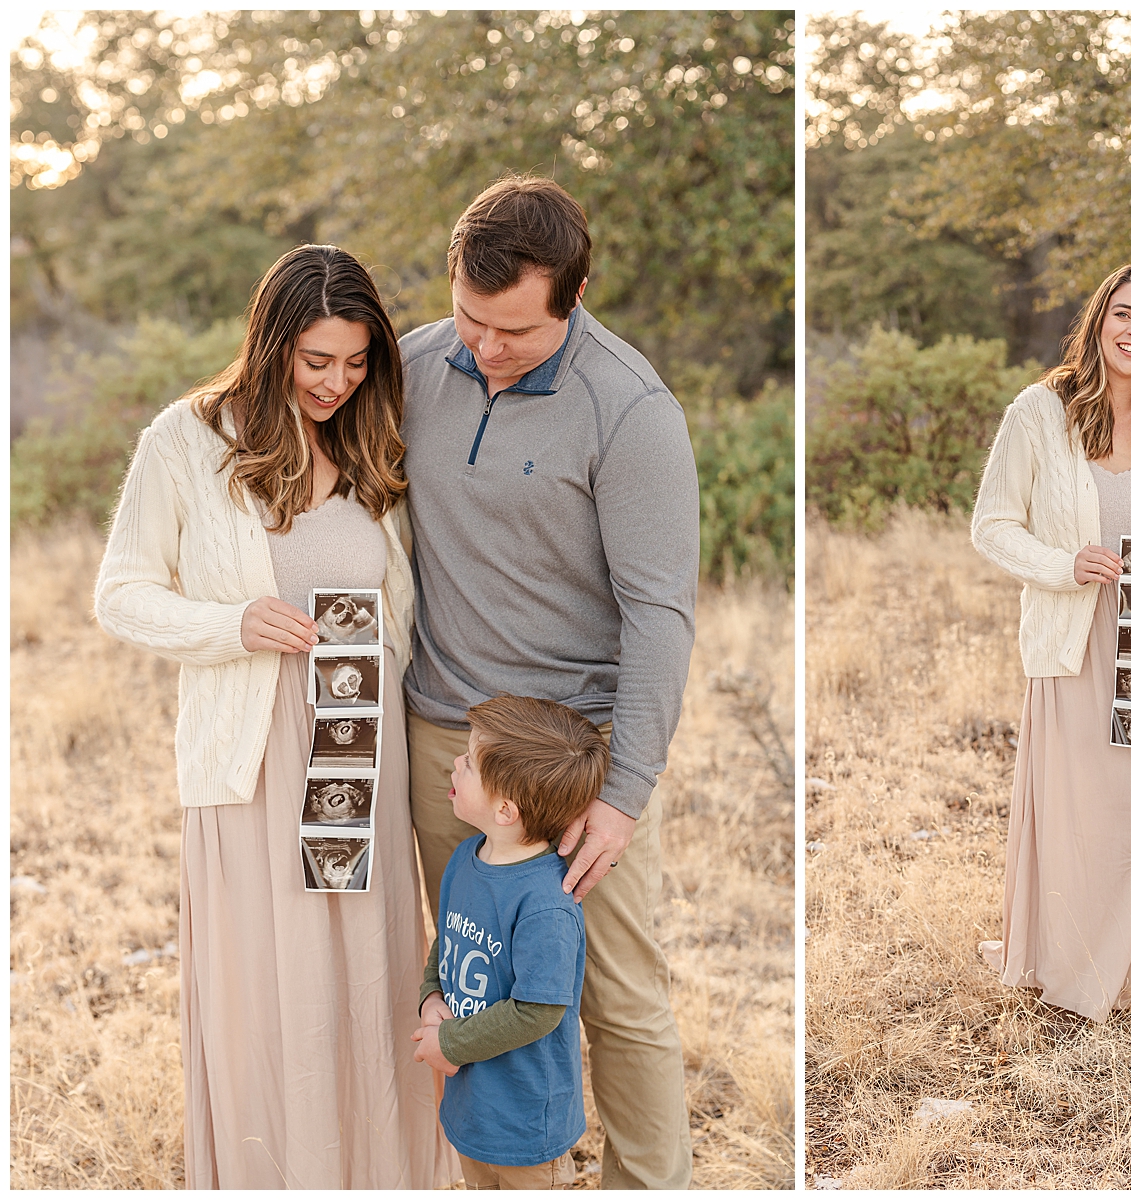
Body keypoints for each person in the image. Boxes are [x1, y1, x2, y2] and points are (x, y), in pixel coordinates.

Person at [94, 245, 453, 1187]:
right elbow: (120, 593)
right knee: (269, 998)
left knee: (360, 990)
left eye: (356, 361)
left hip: (357, 756)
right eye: (315, 362)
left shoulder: (375, 443)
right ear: (270, 347)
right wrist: (231, 623)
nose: (337, 383)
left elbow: (406, 609)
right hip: (252, 763)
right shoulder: (186, 440)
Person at [399, 174, 699, 1188]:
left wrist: (622, 795)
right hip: (444, 747)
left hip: (573, 763)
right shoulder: (410, 366)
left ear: (575, 296)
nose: (484, 347)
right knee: (470, 972)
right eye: (470, 319)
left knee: (614, 995)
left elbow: (661, 612)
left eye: (516, 331)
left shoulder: (629, 409)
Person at [971, 263, 1131, 1022]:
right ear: (1098, 321)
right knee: (1085, 814)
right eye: (1123, 314)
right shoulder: (1042, 410)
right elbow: (992, 525)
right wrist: (1063, 565)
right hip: (1075, 644)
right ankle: (1075, 972)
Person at [412, 695, 609, 1190]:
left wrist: (451, 1044)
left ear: (505, 809)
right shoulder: (466, 858)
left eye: (471, 762)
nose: (456, 762)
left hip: (524, 1122)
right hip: (472, 1108)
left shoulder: (546, 903)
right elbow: (448, 936)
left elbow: (538, 1010)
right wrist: (431, 995)